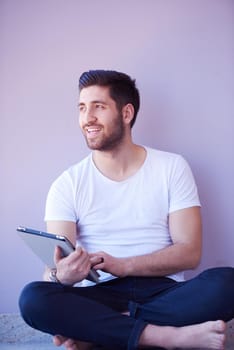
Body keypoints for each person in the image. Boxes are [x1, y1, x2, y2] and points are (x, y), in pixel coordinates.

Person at [19, 70, 234, 350]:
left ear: (127, 112)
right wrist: (62, 276)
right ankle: (165, 336)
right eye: (82, 108)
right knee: (33, 298)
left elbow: (190, 253)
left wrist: (124, 265)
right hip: (99, 292)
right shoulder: (67, 184)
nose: (88, 118)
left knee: (228, 283)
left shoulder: (172, 167)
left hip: (162, 290)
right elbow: (51, 273)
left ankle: (102, 332)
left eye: (99, 106)